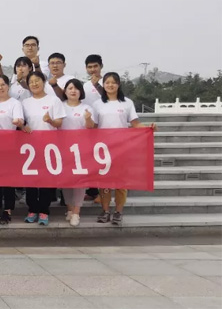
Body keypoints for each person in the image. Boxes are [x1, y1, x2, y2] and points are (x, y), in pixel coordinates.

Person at [91, 72, 157, 225]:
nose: (110, 85)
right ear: (103, 85)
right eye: (107, 82)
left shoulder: (127, 103)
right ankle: (105, 211)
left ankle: (118, 212)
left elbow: (135, 124)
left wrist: (149, 128)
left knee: (121, 183)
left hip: (121, 148)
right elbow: (93, 127)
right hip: (103, 149)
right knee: (104, 183)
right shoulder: (97, 104)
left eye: (113, 82)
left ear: (118, 84)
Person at [21, 71, 66, 226]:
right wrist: (23, 126)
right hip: (30, 147)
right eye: (31, 82)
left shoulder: (53, 100)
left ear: (44, 81)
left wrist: (50, 121)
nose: (34, 84)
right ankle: (32, 209)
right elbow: (22, 122)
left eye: (37, 80)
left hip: (49, 146)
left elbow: (59, 122)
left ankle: (44, 211)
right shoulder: (25, 102)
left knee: (46, 180)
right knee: (31, 180)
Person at [0, 75, 24, 225]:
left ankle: (7, 210)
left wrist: (18, 122)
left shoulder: (15, 103)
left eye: (3, 84)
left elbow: (19, 121)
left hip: (9, 146)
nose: (0, 87)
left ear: (8, 86)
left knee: (7, 180)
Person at [61, 78, 97, 227]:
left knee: (79, 181)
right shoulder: (60, 106)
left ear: (80, 91)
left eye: (76, 88)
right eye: (70, 88)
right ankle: (69, 209)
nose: (73, 91)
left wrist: (88, 119)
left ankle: (76, 211)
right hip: (63, 149)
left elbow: (91, 127)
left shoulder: (86, 108)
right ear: (65, 91)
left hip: (81, 149)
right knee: (66, 181)